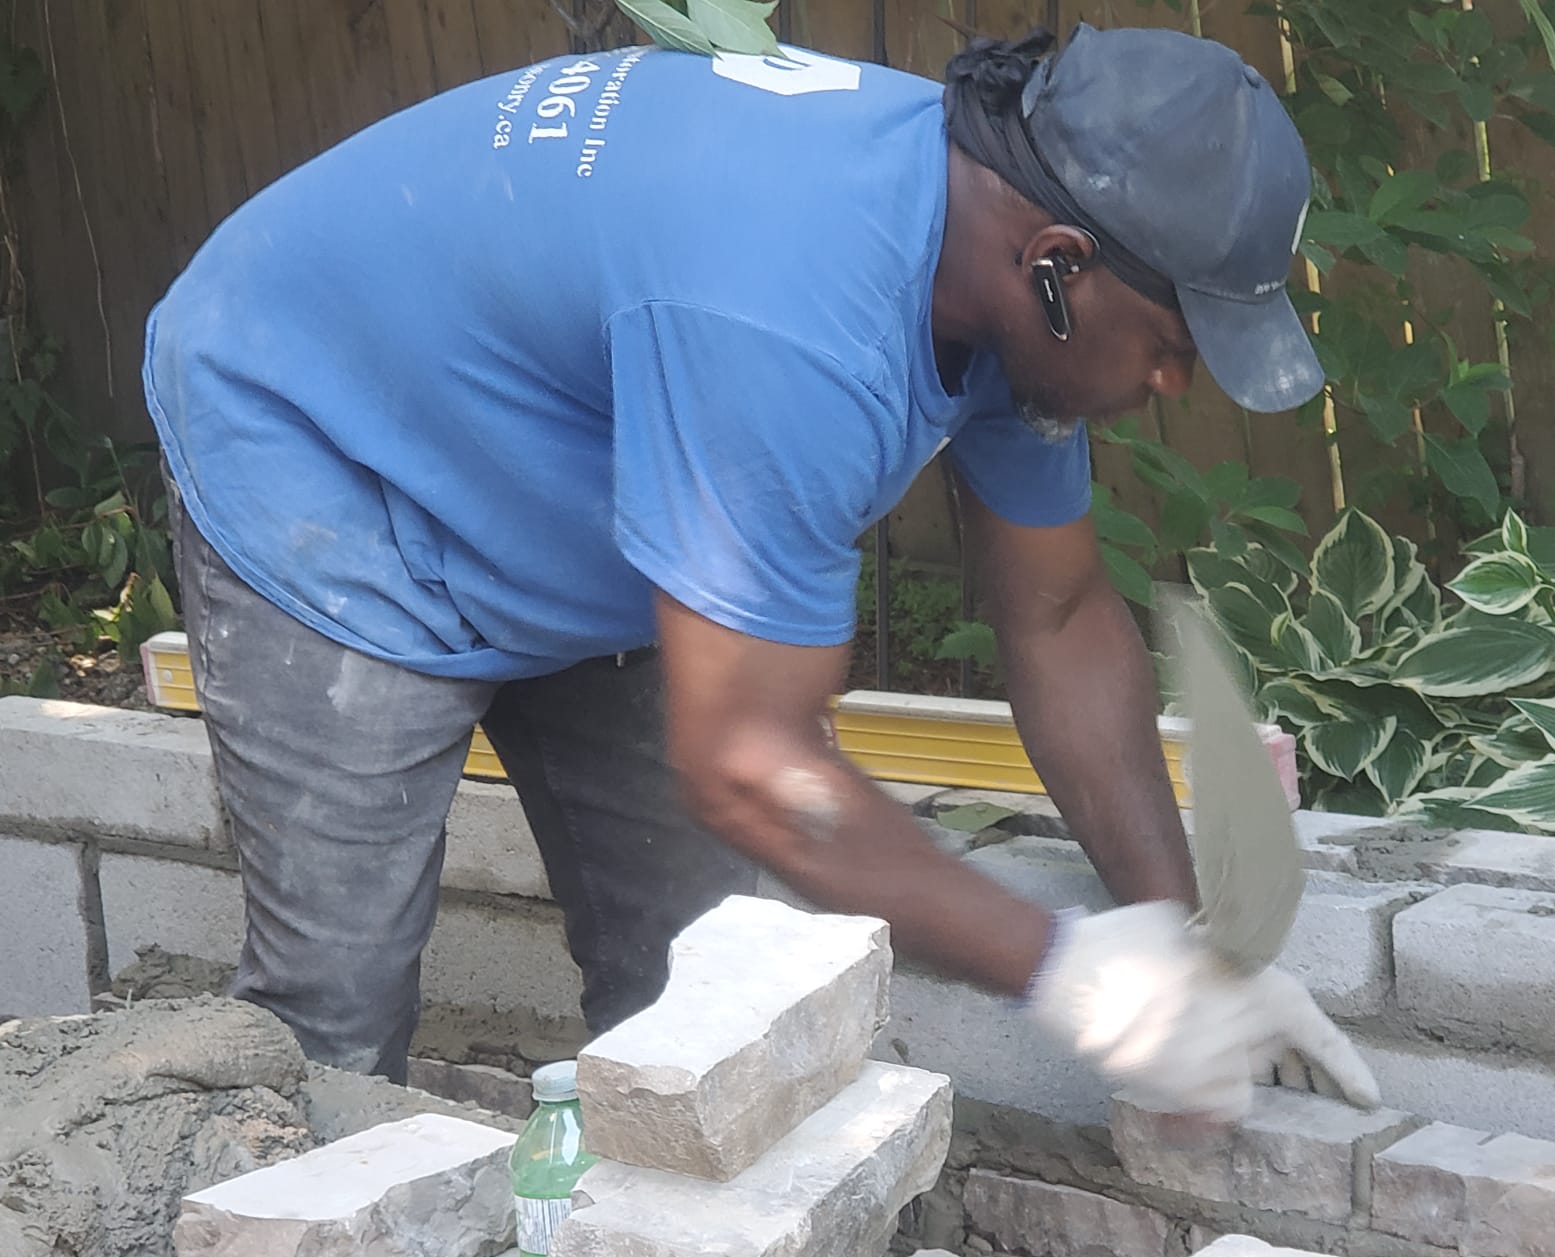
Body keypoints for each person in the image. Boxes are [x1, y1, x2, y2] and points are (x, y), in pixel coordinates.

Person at [144, 22, 1373, 1121]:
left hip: (578, 468)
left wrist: (1189, 952)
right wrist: (1073, 976)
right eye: (1171, 342)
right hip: (332, 454)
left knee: (710, 992)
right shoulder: (795, 317)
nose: (1174, 384)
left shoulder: (998, 266)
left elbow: (1056, 618)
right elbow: (752, 765)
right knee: (336, 1020)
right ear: (1056, 264)